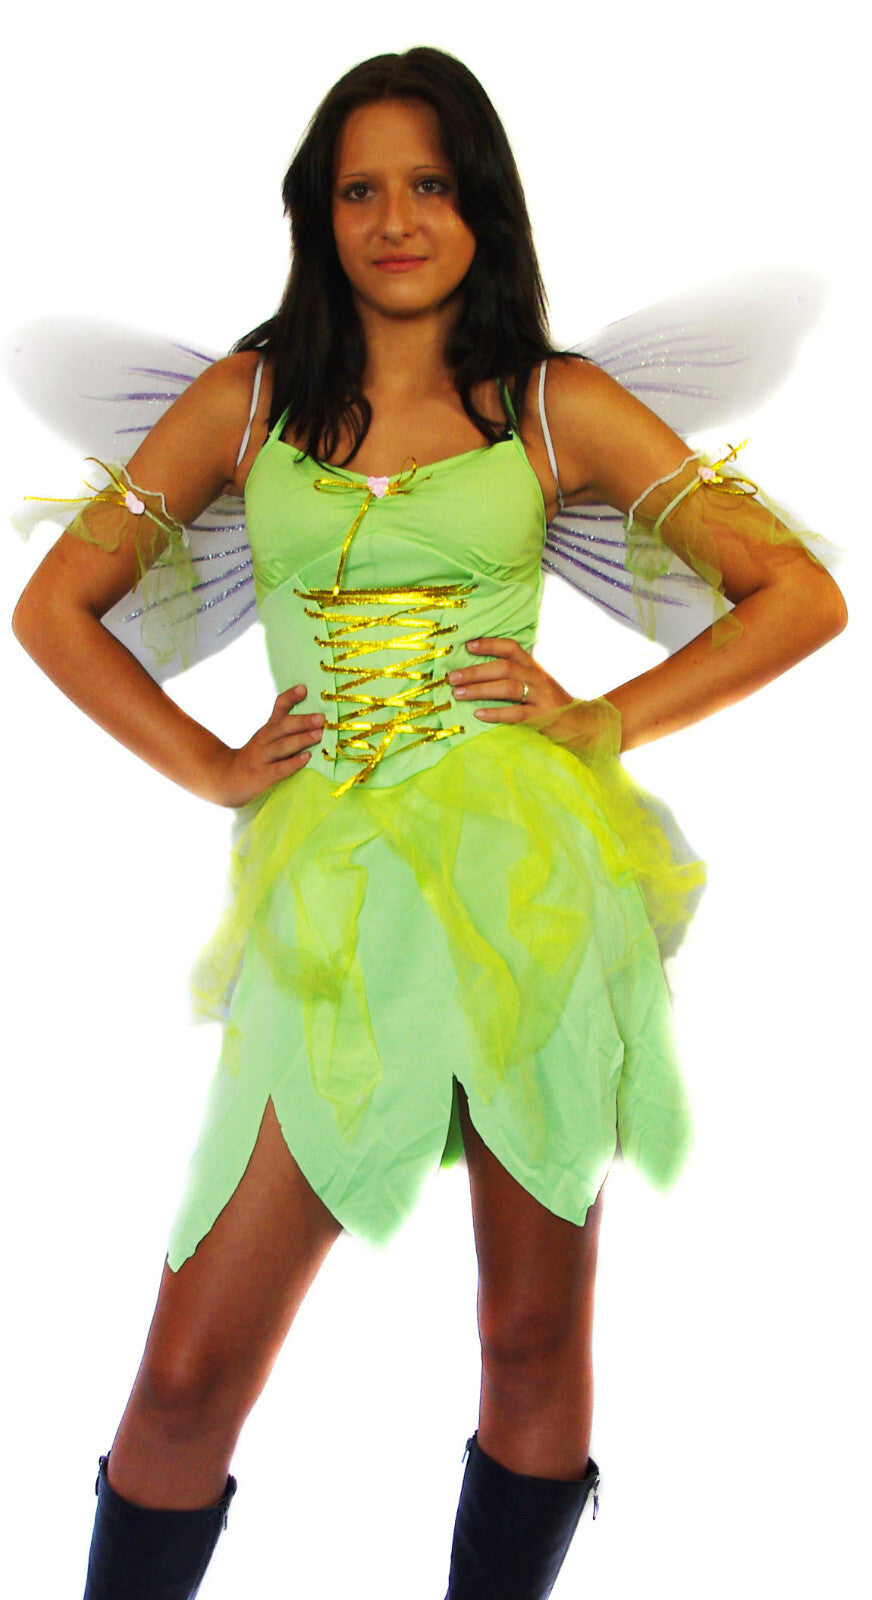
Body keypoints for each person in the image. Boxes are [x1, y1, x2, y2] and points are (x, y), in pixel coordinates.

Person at [11, 44, 847, 1600]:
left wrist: (604, 718)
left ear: (483, 206)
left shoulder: (555, 406)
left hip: (528, 889)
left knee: (529, 1336)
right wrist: (211, 764)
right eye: (360, 191)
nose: (395, 221)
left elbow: (797, 592)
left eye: (430, 185)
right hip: (329, 903)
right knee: (186, 1377)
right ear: (318, 213)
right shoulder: (248, 400)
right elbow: (52, 607)